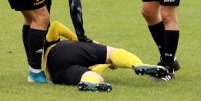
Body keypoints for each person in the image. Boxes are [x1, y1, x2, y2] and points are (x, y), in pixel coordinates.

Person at [43, 21, 171, 92]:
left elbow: (54, 27)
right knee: (112, 53)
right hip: (65, 49)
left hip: (56, 73)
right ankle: (137, 64)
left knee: (94, 77)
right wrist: (79, 41)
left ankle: (89, 84)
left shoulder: (51, 64)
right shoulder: (53, 45)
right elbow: (56, 26)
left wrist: (107, 65)